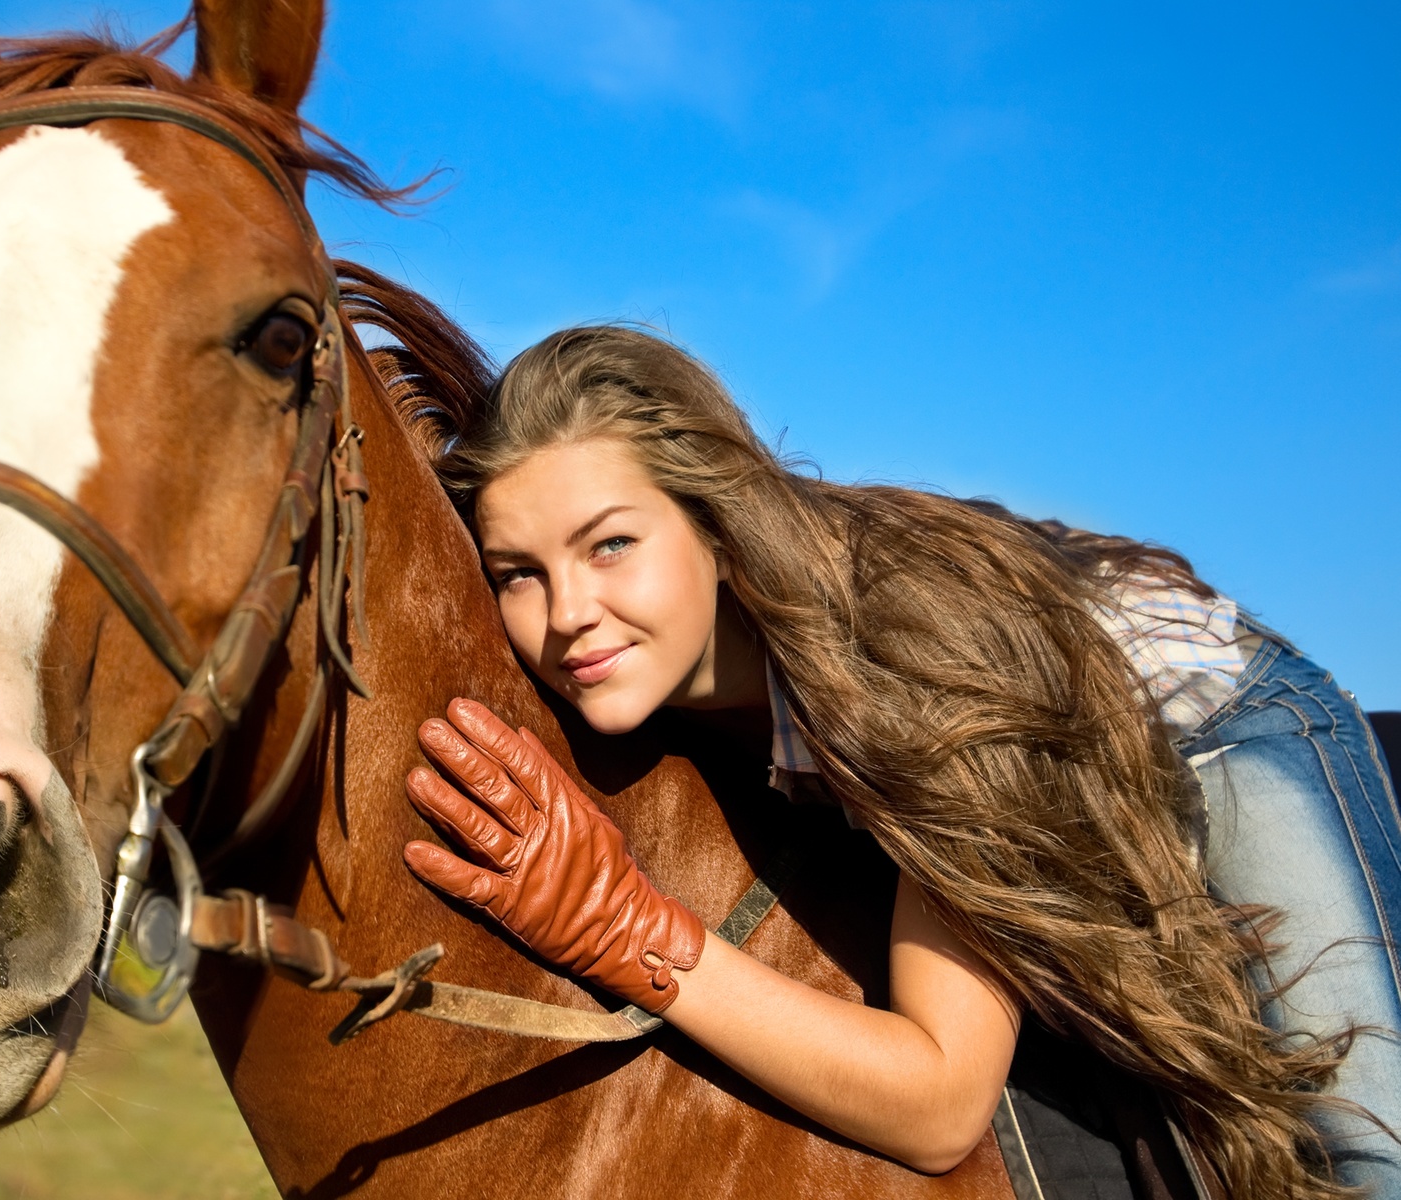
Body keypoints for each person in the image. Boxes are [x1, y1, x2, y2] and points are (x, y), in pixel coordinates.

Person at [395, 325, 1400, 1199]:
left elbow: (941, 1102)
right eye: (519, 574)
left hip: (1205, 711)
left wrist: (629, 934)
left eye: (609, 544)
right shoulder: (653, 675)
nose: (568, 614)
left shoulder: (905, 660)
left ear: (713, 521)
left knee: (1368, 1155)